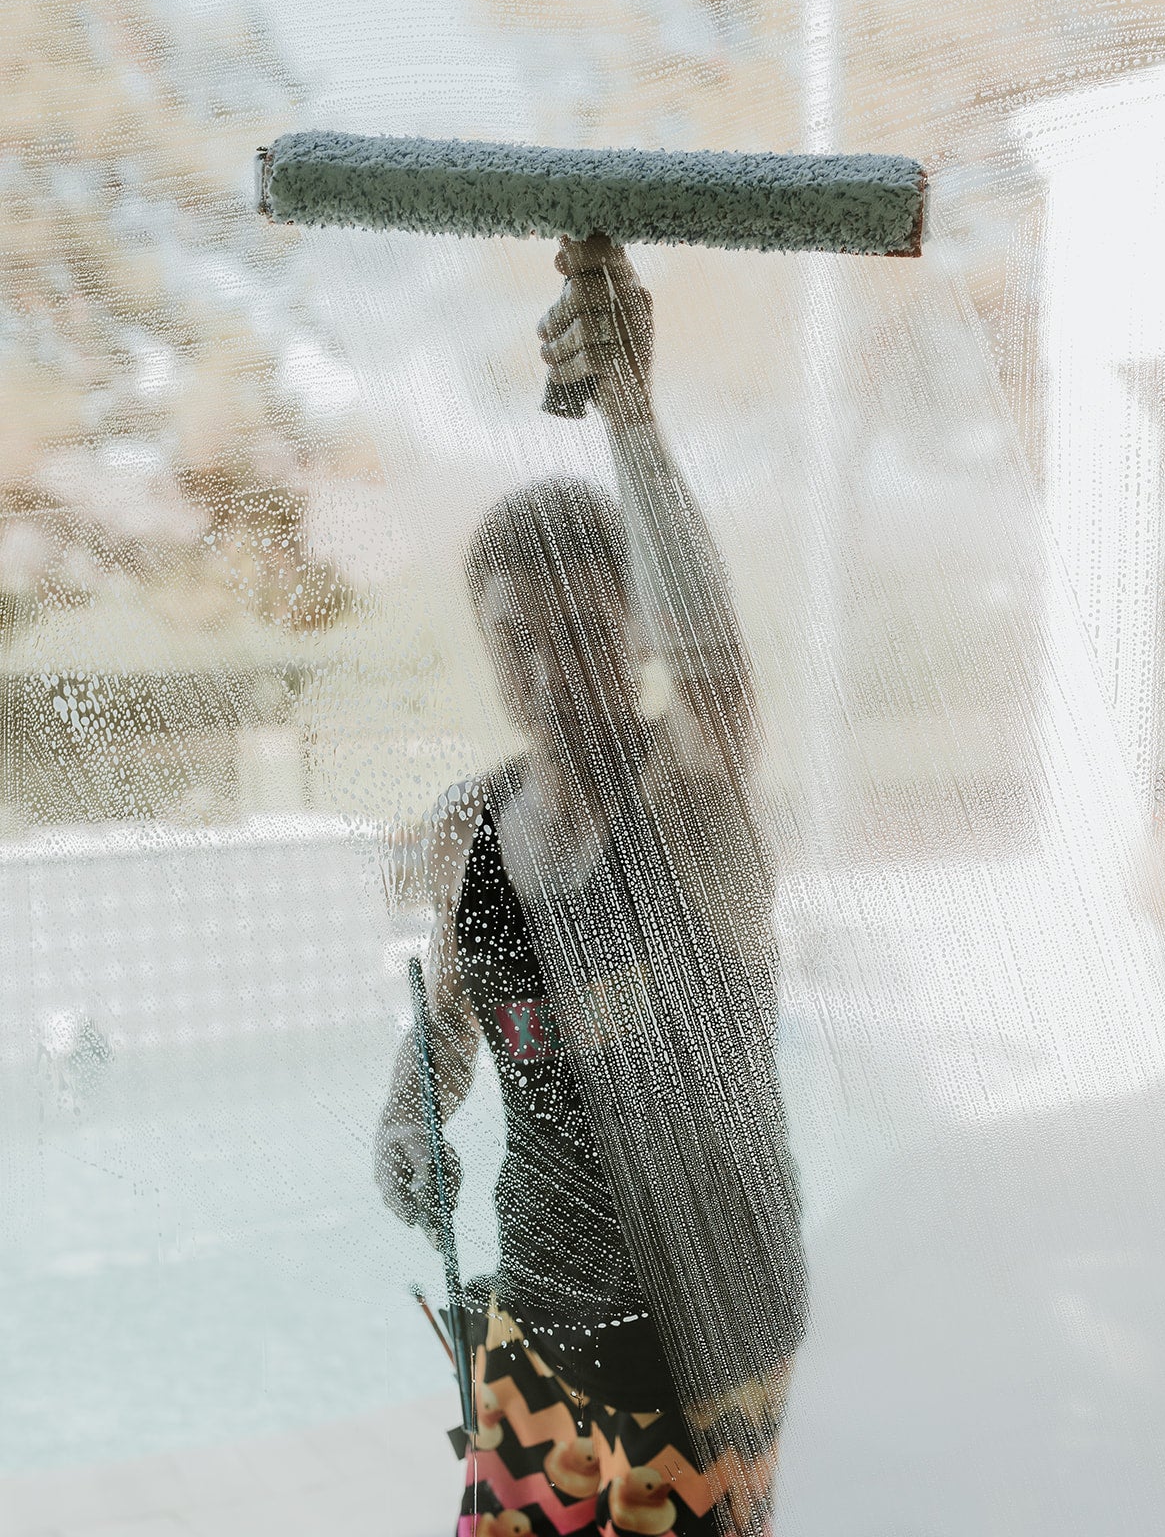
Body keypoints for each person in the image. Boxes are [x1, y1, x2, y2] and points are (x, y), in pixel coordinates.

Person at [376, 236, 806, 1537]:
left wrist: (630, 417)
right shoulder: (470, 829)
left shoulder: (686, 798)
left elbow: (720, 676)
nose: (555, 661)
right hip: (539, 1312)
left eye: (584, 625)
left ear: (632, 629)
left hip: (708, 1321)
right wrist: (407, 1120)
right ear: (488, 651)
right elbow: (450, 1026)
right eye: (521, 634)